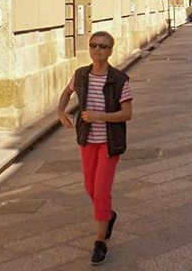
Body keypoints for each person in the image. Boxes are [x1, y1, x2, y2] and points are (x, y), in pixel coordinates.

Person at [57, 31, 133, 266]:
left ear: (110, 51)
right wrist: (61, 111)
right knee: (90, 188)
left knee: (101, 190)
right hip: (87, 140)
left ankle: (100, 241)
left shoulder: (120, 79)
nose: (97, 50)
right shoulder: (80, 75)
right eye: (93, 46)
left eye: (103, 46)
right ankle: (108, 216)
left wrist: (100, 116)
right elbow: (67, 92)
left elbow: (127, 114)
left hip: (110, 143)